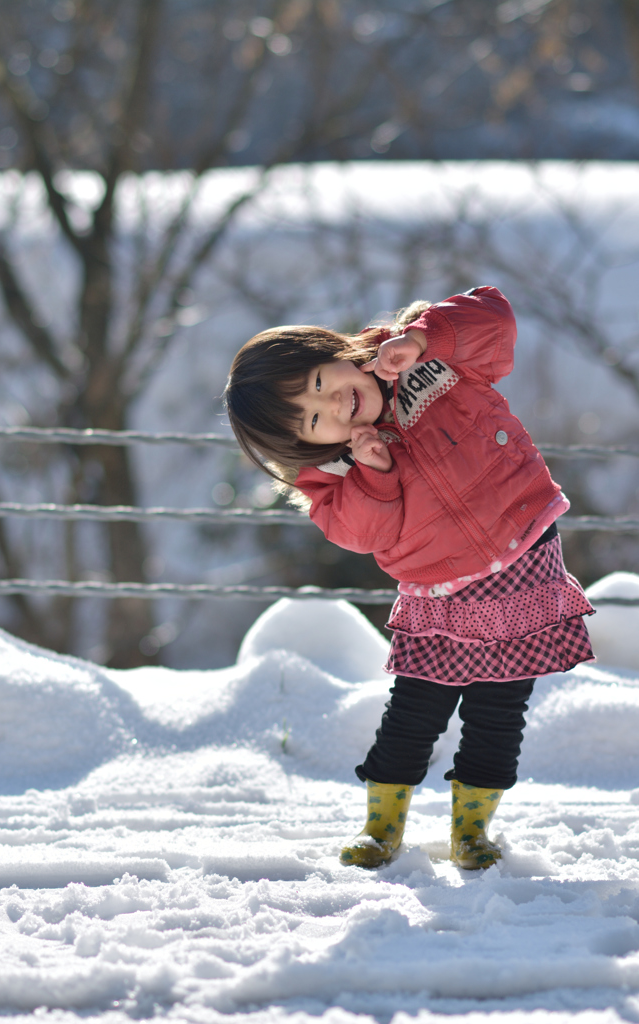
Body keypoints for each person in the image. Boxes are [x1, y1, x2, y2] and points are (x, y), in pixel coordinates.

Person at [224, 286, 594, 870]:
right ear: (307, 444)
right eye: (314, 419)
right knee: (418, 706)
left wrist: (422, 338)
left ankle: (472, 829)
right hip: (440, 587)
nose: (334, 405)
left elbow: (494, 321)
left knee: (500, 708)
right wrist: (373, 474)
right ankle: (382, 825)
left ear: (336, 352)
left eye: (321, 383)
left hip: (521, 550)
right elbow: (366, 534)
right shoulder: (332, 476)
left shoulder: (423, 356)